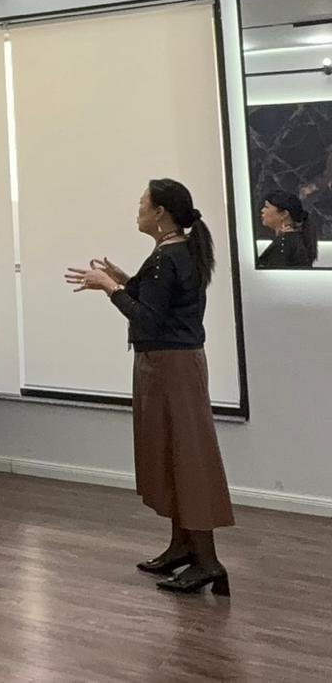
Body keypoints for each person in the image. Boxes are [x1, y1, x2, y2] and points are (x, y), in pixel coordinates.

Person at [65, 178, 234, 595]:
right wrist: (122, 279)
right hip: (174, 364)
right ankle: (182, 547)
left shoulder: (167, 256)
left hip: (170, 367)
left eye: (142, 203)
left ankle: (208, 561)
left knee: (187, 457)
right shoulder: (177, 250)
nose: (137, 209)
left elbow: (147, 318)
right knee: (174, 454)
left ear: (160, 212)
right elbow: (162, 301)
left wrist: (110, 287)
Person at [257, 190, 317, 269]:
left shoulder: (285, 243)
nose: (262, 210)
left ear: (284, 214)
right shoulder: (292, 239)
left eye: (266, 207)